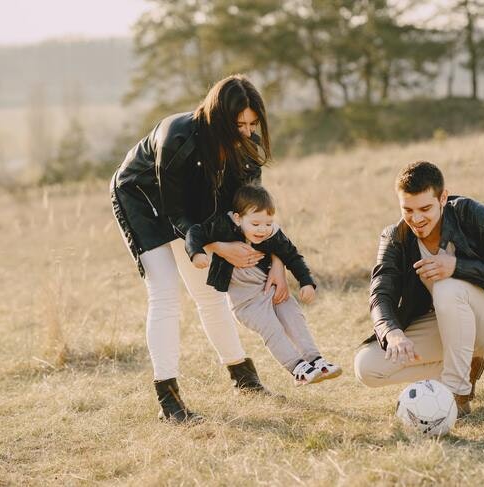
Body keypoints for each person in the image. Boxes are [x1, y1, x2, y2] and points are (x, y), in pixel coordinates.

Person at [110, 74, 289, 423]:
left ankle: (243, 377)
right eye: (239, 124)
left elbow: (254, 215)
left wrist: (277, 261)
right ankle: (169, 400)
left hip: (191, 209)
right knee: (164, 293)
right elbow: (174, 210)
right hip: (143, 198)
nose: (248, 133)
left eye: (254, 124)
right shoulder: (175, 137)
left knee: (210, 292)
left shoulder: (248, 153)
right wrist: (217, 245)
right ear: (219, 119)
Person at [354, 161, 484, 417]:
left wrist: (457, 266)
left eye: (425, 208)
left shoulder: (473, 215)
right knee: (367, 367)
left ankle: (454, 394)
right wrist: (392, 333)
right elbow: (381, 292)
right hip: (442, 323)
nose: (416, 218)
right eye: (408, 209)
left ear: (443, 198)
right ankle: (465, 366)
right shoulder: (395, 237)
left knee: (447, 288)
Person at [185, 184, 342, 386]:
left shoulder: (271, 234)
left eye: (268, 223)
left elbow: (292, 255)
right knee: (272, 329)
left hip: (272, 291)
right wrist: (196, 253)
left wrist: (306, 282)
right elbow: (194, 232)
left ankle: (315, 360)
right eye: (256, 223)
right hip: (247, 303)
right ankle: (298, 368)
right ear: (237, 218)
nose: (262, 229)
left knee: (294, 317)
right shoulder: (222, 227)